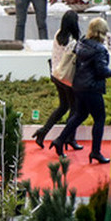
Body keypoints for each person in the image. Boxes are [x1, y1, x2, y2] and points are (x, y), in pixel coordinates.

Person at [53, 17, 111, 163]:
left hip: (78, 86)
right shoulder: (99, 49)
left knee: (80, 115)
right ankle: (95, 152)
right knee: (99, 119)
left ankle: (60, 140)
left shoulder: (81, 43)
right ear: (102, 32)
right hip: (92, 88)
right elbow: (101, 70)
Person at [34, 11, 82, 150]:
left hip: (55, 75)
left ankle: (43, 132)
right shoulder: (72, 41)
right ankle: (69, 138)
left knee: (63, 106)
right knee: (74, 110)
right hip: (68, 79)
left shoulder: (58, 35)